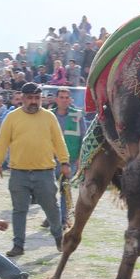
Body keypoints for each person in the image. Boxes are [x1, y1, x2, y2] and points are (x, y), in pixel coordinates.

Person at [0, 82, 70, 257]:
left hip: (45, 172)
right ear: (23, 99)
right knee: (19, 210)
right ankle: (18, 245)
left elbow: (59, 141)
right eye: (30, 98)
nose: (34, 101)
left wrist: (64, 162)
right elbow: (2, 142)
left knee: (51, 208)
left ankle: (59, 238)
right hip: (19, 173)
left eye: (37, 98)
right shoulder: (11, 117)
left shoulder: (49, 117)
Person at [42, 88, 86, 229]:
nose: (64, 100)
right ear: (56, 99)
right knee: (48, 191)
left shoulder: (77, 115)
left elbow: (83, 137)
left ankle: (62, 220)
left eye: (67, 97)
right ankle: (52, 217)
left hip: (70, 159)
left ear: (70, 99)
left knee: (63, 189)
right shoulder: (48, 115)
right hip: (49, 159)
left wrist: (80, 158)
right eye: (62, 97)